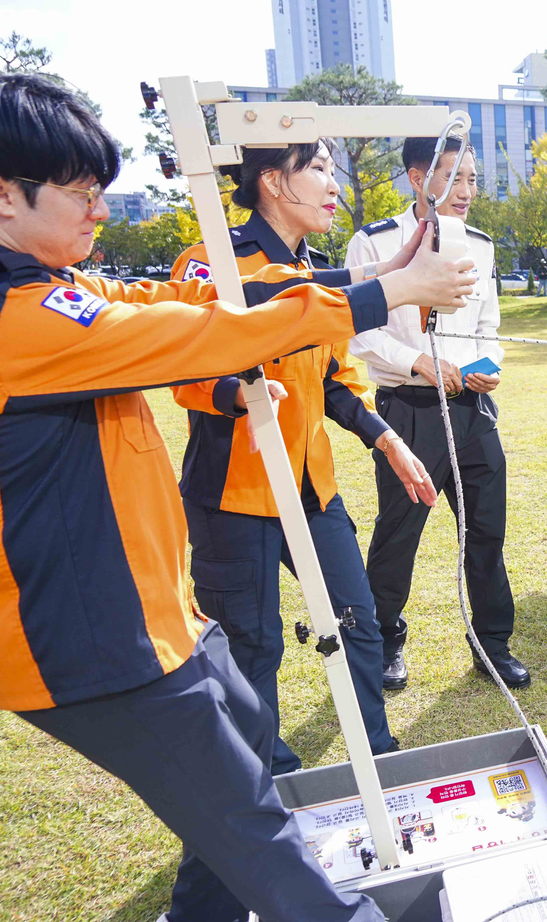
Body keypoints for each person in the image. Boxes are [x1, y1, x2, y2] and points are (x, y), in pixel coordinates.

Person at [0, 73, 472, 922]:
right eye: (81, 190)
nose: (101, 208)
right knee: (269, 845)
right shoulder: (6, 316)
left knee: (249, 761)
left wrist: (371, 275)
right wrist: (383, 295)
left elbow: (205, 301)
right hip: (93, 642)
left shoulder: (57, 288)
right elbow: (209, 335)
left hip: (157, 619)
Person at [171, 140, 426, 776]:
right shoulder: (211, 260)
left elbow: (335, 379)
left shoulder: (318, 273)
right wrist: (241, 394)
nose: (333, 184)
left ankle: (378, 754)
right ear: (273, 181)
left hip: (312, 492)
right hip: (232, 497)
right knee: (252, 645)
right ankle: (270, 781)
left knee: (359, 620)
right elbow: (186, 369)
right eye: (318, 168)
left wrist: (386, 438)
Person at [346, 135, 529, 689]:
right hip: (409, 411)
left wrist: (488, 365)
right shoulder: (374, 243)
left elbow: (488, 329)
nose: (467, 192)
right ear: (418, 178)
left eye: (473, 179)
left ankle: (491, 644)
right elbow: (362, 333)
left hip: (474, 411)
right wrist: (420, 362)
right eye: (456, 178)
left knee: (486, 532)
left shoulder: (481, 244)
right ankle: (383, 643)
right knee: (399, 533)